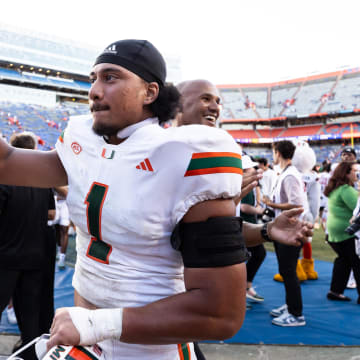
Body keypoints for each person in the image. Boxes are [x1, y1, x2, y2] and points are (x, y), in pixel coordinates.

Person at [0, 42, 312, 359]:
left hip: (146, 350)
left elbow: (221, 312)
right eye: (94, 77)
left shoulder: (184, 155)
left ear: (149, 93)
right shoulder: (84, 140)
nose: (94, 90)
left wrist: (97, 323)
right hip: (83, 338)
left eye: (110, 77)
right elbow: (7, 162)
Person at [0, 132, 55, 360]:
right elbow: (51, 214)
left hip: (5, 258)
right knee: (30, 316)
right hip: (34, 258)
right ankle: (31, 355)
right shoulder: (42, 183)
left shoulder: (5, 179)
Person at [263, 140, 308, 327]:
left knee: (288, 271)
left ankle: (296, 314)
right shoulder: (286, 173)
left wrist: (271, 204)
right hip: (285, 228)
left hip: (290, 229)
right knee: (285, 270)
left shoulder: (289, 175)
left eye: (274, 152)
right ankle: (291, 306)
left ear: (278, 153)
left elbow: (297, 204)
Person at [323, 161, 360, 303]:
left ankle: (335, 291)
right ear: (346, 173)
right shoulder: (347, 190)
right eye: (354, 171)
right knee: (356, 262)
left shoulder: (338, 188)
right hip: (347, 232)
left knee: (344, 260)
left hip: (334, 232)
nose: (356, 173)